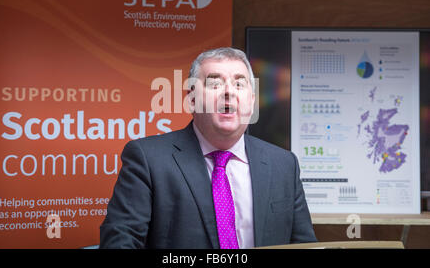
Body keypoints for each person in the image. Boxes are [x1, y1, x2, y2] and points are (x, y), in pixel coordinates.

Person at [100, 47, 317, 248]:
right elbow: (120, 240)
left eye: (239, 84)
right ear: (192, 99)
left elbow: (304, 244)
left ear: (251, 101)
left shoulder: (284, 165)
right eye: (215, 83)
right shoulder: (148, 159)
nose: (228, 92)